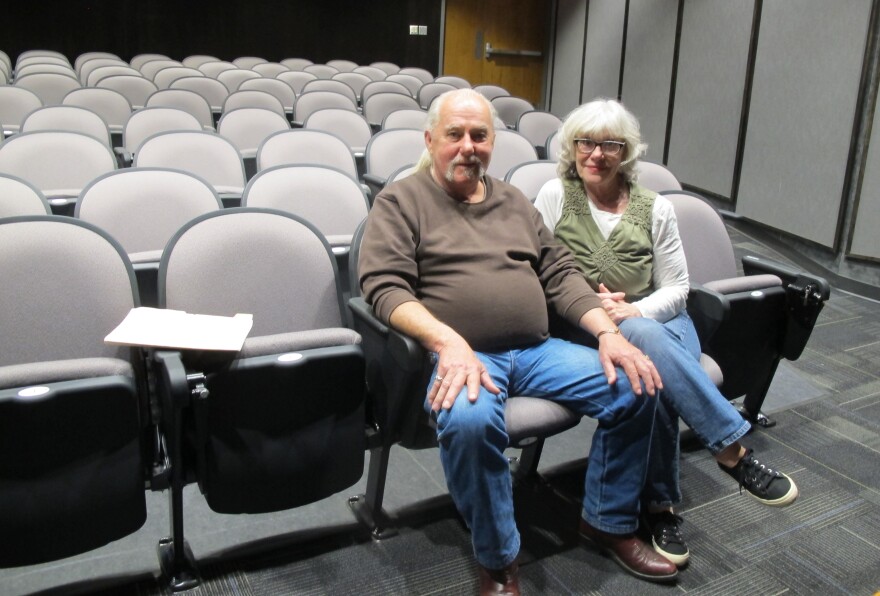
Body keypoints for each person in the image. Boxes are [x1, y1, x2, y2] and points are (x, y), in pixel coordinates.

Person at [358, 88, 678, 595]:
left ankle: (608, 521)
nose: (468, 146)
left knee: (637, 383)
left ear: (493, 143)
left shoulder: (512, 201)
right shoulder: (401, 201)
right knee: (467, 420)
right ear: (430, 140)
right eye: (455, 134)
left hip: (535, 351)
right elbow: (383, 288)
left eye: (480, 135)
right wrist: (449, 342)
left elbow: (560, 272)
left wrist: (610, 334)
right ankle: (499, 560)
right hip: (464, 356)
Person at [534, 98, 798, 568]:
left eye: (610, 144)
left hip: (661, 320)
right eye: (586, 143)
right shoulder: (554, 197)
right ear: (572, 148)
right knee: (647, 370)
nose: (597, 154)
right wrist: (602, 314)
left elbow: (677, 288)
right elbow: (541, 274)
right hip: (584, 328)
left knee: (645, 342)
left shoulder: (653, 207)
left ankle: (660, 503)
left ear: (626, 152)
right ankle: (706, 471)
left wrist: (632, 310)